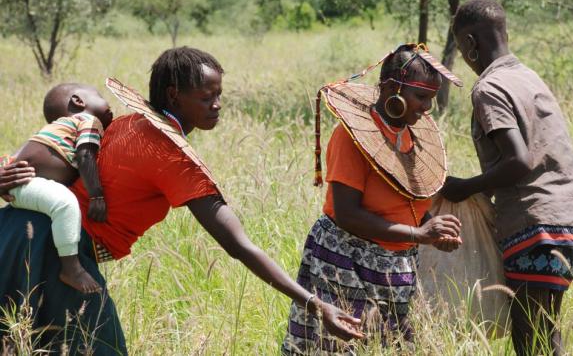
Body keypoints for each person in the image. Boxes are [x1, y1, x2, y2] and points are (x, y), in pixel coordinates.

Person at [0, 47, 363, 355]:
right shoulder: (173, 157)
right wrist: (314, 304)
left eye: (219, 95)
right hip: (55, 252)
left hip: (16, 230)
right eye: (206, 97)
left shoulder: (126, 124)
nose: (217, 105)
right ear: (173, 95)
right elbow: (238, 245)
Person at [281, 44, 463, 354]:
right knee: (340, 346)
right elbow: (347, 214)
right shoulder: (351, 138)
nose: (427, 108)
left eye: (431, 99)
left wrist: (434, 229)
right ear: (393, 88)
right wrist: (420, 234)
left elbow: (408, 203)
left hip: (398, 266)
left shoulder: (411, 135)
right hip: (344, 261)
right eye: (421, 97)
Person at [441, 0, 573, 356]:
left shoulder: (488, 89)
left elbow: (518, 161)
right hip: (570, 219)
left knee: (529, 338)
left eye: (463, 50)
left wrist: (465, 188)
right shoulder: (527, 76)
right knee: (544, 332)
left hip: (535, 225)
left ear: (471, 45)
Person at [1, 84, 113, 294]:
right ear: (79, 101)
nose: (109, 105)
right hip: (29, 183)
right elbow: (85, 155)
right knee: (65, 203)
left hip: (21, 185)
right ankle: (71, 267)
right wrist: (96, 195)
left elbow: (13, 158)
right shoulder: (88, 121)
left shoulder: (58, 129)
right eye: (99, 95)